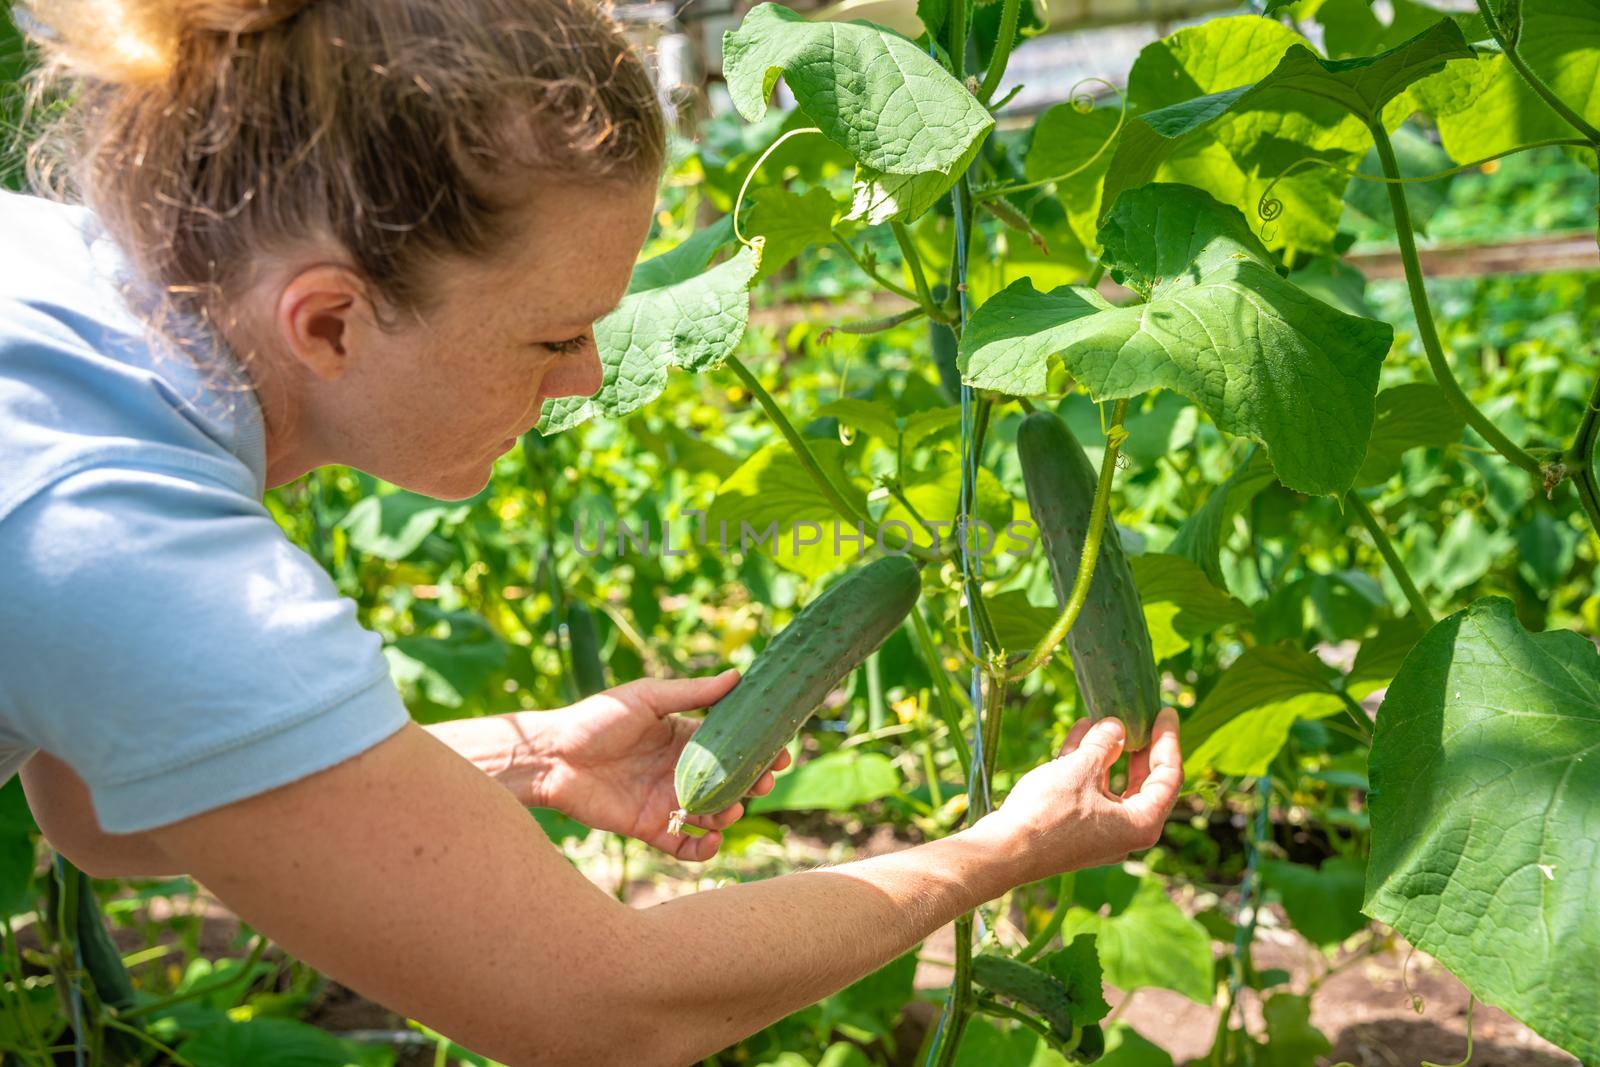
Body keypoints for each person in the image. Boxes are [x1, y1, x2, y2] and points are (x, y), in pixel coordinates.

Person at [0, 1, 1184, 1064]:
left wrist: (530, 756)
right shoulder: (115, 524)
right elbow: (609, 1010)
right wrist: (1005, 847)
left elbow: (108, 808)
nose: (589, 378)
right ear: (329, 321)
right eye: (552, 336)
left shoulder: (80, 304)